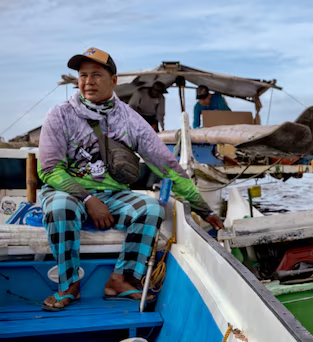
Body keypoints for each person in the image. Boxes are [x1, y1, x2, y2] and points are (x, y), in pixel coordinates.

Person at [37, 47, 224, 311]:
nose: (88, 82)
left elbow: (167, 165)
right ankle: (69, 285)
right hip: (68, 191)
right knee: (60, 208)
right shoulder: (60, 115)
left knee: (150, 209)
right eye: (83, 75)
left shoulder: (129, 118)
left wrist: (203, 208)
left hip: (113, 195)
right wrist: (89, 199)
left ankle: (120, 280)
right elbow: (49, 171)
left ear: (114, 80)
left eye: (96, 75)